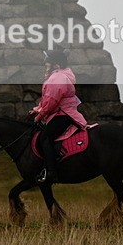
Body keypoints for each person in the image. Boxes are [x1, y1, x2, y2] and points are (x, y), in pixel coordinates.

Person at [30, 49, 88, 184]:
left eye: (47, 62)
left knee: (45, 138)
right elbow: (48, 100)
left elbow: (52, 101)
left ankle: (51, 173)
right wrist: (37, 109)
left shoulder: (57, 78)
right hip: (61, 112)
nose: (45, 65)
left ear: (55, 65)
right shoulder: (59, 76)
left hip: (63, 114)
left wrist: (39, 116)